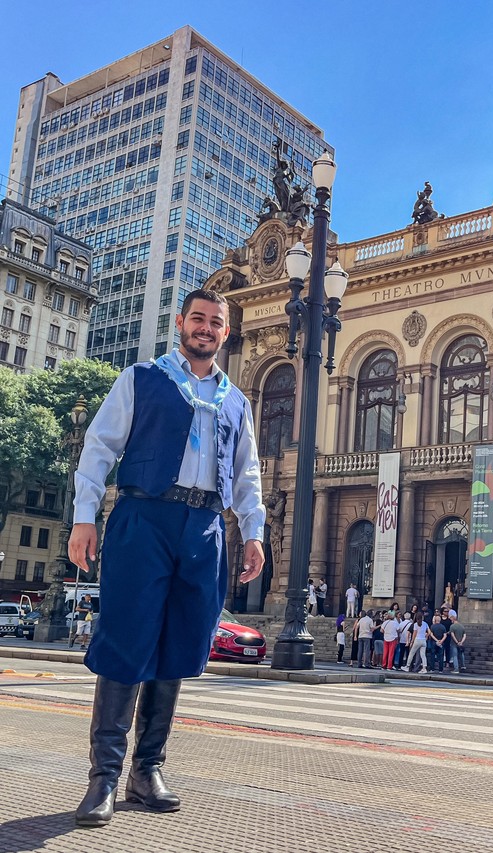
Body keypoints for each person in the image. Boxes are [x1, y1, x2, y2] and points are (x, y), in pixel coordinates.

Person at [68, 288, 265, 828]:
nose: (205, 328)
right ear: (180, 323)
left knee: (178, 641)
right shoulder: (142, 378)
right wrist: (85, 517)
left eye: (215, 322)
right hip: (143, 518)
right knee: (126, 639)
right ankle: (103, 778)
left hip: (204, 526)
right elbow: (99, 446)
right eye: (197, 318)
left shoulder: (235, 401)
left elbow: (248, 473)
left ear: (225, 333)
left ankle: (147, 769)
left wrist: (254, 533)